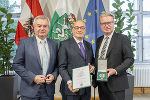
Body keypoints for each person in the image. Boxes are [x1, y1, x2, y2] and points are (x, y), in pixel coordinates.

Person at [13, 15, 58, 100]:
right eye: (39, 26)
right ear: (34, 27)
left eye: (45, 26)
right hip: (29, 90)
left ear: (49, 28)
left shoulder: (54, 44)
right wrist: (33, 77)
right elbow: (16, 64)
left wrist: (53, 75)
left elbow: (58, 65)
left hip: (48, 92)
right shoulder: (24, 43)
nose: (42, 28)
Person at [94, 12, 134, 100]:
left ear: (113, 23)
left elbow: (130, 59)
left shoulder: (123, 39)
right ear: (100, 25)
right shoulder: (99, 40)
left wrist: (115, 70)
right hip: (101, 83)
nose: (107, 25)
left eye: (109, 23)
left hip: (116, 84)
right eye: (104, 23)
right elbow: (98, 59)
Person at [58, 20, 95, 100]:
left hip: (86, 89)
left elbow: (92, 61)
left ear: (85, 30)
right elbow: (61, 67)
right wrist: (69, 82)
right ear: (73, 30)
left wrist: (93, 67)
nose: (79, 30)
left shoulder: (89, 45)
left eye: (82, 28)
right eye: (77, 27)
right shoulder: (64, 44)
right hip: (71, 89)